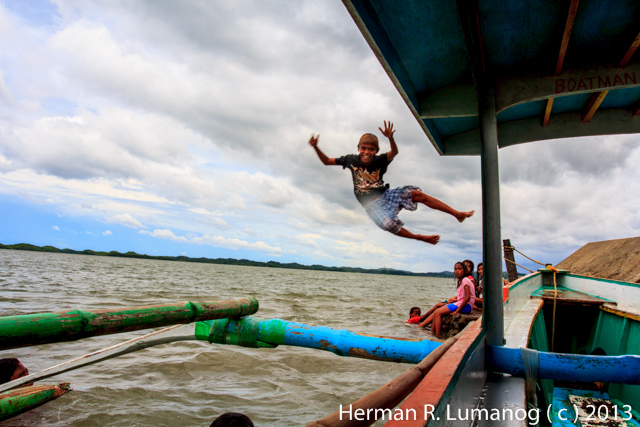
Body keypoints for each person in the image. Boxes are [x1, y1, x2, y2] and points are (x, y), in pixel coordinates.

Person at [308, 121, 474, 244]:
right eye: (363, 148)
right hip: (373, 206)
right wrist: (316, 147)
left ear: (376, 151)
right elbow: (326, 161)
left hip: (386, 195)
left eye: (371, 149)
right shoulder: (350, 160)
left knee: (416, 194)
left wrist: (391, 138)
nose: (367, 152)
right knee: (389, 224)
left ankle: (456, 213)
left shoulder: (380, 160)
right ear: (358, 148)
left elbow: (394, 152)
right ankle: (420, 238)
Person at [417, 262, 476, 335]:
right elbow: (461, 297)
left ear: (464, 270)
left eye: (459, 269)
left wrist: (457, 311)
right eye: (455, 269)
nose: (457, 271)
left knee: (438, 313)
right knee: (437, 311)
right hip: (460, 303)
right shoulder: (459, 280)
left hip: (467, 306)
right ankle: (432, 332)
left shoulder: (465, 280)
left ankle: (437, 335)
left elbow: (467, 298)